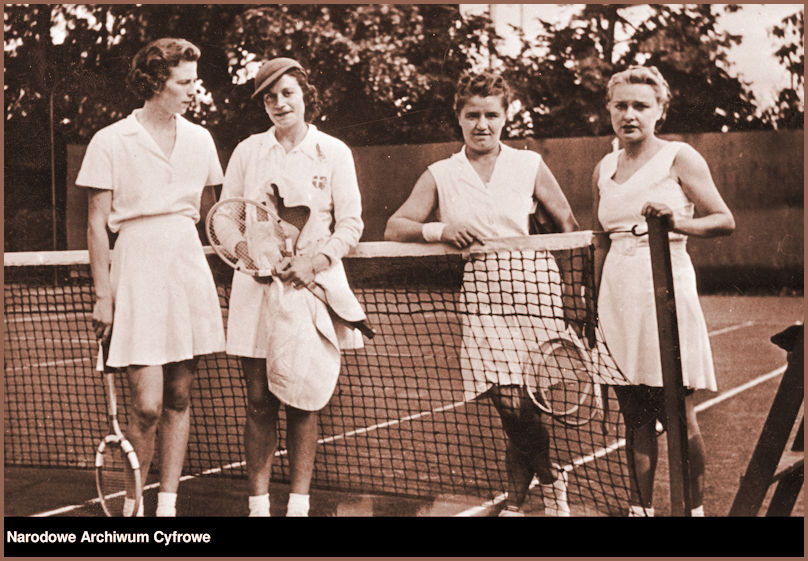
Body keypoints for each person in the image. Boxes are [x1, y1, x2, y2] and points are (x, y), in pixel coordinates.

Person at [385, 70, 580, 517]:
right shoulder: (440, 173)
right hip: (482, 294)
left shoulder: (528, 164)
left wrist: (571, 291)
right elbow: (395, 225)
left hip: (535, 287)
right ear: (458, 117)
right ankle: (552, 478)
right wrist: (441, 228)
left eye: (491, 114)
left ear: (506, 116)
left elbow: (567, 225)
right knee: (507, 400)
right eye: (472, 115)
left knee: (526, 401)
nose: (482, 125)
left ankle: (514, 504)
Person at [77, 38, 226, 517]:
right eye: (184, 82)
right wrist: (104, 294)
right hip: (135, 269)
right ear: (154, 83)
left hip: (185, 267)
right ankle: (133, 507)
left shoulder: (201, 140)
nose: (193, 90)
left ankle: (167, 506)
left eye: (194, 81)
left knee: (180, 395)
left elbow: (208, 214)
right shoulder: (110, 139)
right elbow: (97, 222)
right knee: (146, 405)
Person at [221, 57, 365, 517]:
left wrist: (315, 260)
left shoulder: (334, 152)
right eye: (269, 96)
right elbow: (227, 221)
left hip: (310, 290)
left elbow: (351, 223)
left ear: (306, 96)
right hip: (256, 290)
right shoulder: (248, 151)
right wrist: (258, 258)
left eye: (287, 93)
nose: (279, 103)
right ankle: (258, 508)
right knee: (260, 400)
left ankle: (298, 508)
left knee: (303, 400)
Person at [593, 65, 735, 517]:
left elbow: (723, 219)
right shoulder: (603, 165)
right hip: (616, 293)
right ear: (610, 110)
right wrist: (588, 303)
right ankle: (641, 512)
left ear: (660, 110)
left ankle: (692, 513)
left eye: (640, 106)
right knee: (633, 415)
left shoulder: (680, 157)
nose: (630, 114)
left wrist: (676, 221)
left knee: (677, 414)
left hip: (666, 288)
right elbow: (601, 238)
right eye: (621, 105)